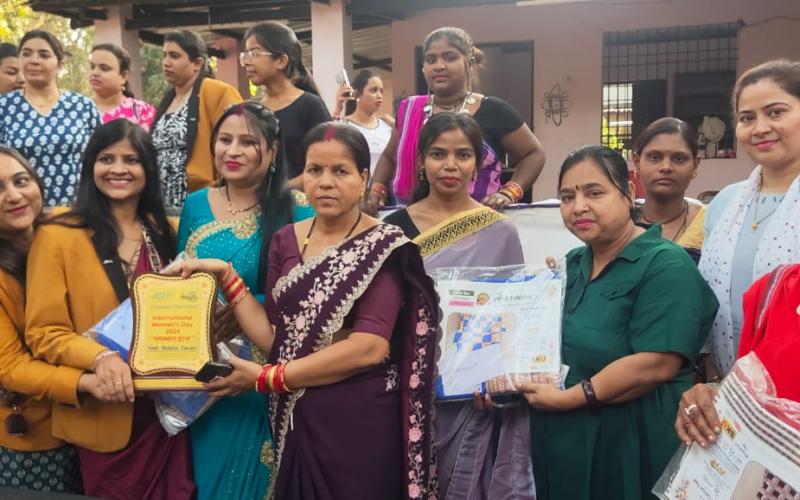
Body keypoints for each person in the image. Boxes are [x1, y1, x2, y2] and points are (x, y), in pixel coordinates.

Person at [168, 123, 439, 500]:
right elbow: (278, 338)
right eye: (314, 170)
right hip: (296, 413)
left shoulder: (385, 246)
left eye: (339, 171)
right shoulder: (286, 240)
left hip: (357, 418)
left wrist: (268, 378)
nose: (325, 182)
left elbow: (368, 347)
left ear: (363, 178)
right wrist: (227, 276)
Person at [519, 145, 718, 500]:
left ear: (628, 195)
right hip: (568, 441)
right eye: (567, 196)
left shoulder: (665, 265)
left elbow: (654, 364)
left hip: (631, 439)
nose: (578, 206)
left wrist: (567, 400)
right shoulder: (572, 264)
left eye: (594, 192)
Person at [24, 120, 194, 499]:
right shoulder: (57, 235)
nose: (119, 169)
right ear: (90, 167)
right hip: (106, 413)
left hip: (171, 412)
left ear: (148, 169)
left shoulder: (168, 230)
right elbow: (43, 333)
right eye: (106, 158)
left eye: (131, 160)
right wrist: (100, 357)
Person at [384, 113, 532, 499]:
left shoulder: (500, 230)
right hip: (406, 382)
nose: (450, 165)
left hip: (474, 391)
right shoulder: (392, 230)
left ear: (479, 163)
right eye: (438, 154)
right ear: (420, 161)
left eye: (462, 155)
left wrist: (498, 380)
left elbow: (512, 313)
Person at [177, 102, 295, 500]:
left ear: (273, 151)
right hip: (205, 373)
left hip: (262, 374)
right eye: (224, 140)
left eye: (248, 142)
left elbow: (303, 295)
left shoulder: (296, 211)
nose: (233, 150)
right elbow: (182, 277)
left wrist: (247, 304)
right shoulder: (195, 204)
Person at [0, 147, 106, 492]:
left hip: (99, 419)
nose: (14, 196)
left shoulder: (66, 225)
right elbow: (10, 365)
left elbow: (130, 226)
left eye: (21, 180)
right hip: (37, 431)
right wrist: (82, 383)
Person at [367, 26, 545, 211]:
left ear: (468, 63)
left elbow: (534, 154)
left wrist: (509, 192)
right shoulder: (410, 109)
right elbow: (389, 157)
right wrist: (376, 190)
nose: (439, 66)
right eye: (430, 59)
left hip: (476, 222)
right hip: (410, 221)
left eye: (449, 58)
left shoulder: (493, 110)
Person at [699, 59, 800, 378]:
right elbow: (708, 297)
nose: (760, 128)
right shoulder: (725, 202)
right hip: (733, 394)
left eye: (775, 112)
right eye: (747, 118)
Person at [0, 30, 100, 207]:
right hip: (22, 211)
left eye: (44, 55)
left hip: (80, 209)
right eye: (26, 54)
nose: (34, 60)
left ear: (59, 65)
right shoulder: (4, 107)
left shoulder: (82, 106)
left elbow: (100, 156)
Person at [153, 30, 243, 210]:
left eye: (174, 56)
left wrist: (218, 189)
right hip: (163, 207)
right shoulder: (168, 100)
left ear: (197, 63)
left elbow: (240, 142)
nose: (166, 62)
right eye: (164, 55)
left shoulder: (217, 92)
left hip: (203, 203)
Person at [241, 22, 331, 189]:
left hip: (299, 208)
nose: (246, 61)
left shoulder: (310, 106)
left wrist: (281, 190)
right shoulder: (250, 110)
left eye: (255, 53)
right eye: (245, 54)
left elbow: (327, 163)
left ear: (281, 61)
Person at [632, 117, 706, 262]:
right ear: (637, 162)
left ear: (695, 165)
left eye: (679, 159)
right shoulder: (620, 220)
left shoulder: (711, 224)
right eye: (655, 157)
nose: (666, 167)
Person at [332, 69, 394, 175]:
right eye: (373, 90)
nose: (379, 96)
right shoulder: (344, 126)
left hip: (383, 188)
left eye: (381, 91)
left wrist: (399, 127)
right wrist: (338, 108)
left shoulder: (388, 126)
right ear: (357, 94)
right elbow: (328, 147)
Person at [90, 43, 156, 130]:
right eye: (92, 67)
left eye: (104, 68)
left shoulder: (142, 112)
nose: (95, 73)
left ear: (124, 76)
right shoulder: (78, 110)